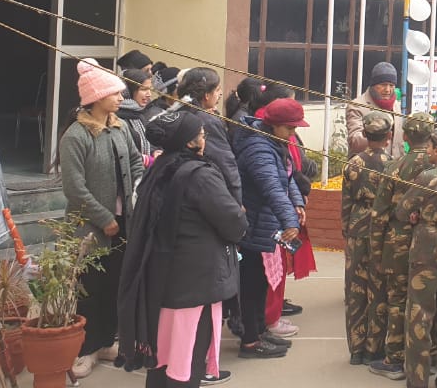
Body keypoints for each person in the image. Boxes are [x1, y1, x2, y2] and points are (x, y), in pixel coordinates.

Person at [117, 111, 248, 388]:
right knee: (188, 362)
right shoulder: (200, 175)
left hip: (163, 280)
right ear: (190, 142)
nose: (205, 139)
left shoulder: (159, 169)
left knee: (162, 359)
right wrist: (240, 217)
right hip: (196, 285)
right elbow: (234, 222)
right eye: (201, 135)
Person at [61, 59, 145, 379]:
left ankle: (106, 341)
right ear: (96, 98)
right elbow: (74, 188)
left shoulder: (119, 127)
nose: (121, 98)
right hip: (91, 229)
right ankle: (86, 349)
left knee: (114, 286)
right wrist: (104, 217)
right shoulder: (76, 136)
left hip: (122, 224)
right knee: (90, 291)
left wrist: (138, 191)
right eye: (115, 93)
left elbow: (135, 163)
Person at [231, 98, 308, 359]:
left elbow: (287, 178)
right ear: (274, 125)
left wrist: (296, 202)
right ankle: (250, 341)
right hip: (253, 225)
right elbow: (272, 188)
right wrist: (289, 221)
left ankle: (260, 331)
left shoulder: (274, 142)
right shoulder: (258, 148)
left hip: (266, 222)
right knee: (251, 284)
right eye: (290, 128)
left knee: (262, 282)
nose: (293, 133)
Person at [368, 112, 436, 380]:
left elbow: (379, 214)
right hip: (431, 243)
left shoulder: (394, 167)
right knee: (429, 300)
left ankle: (395, 359)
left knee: (397, 299)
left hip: (397, 242)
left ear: (405, 136)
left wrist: (376, 253)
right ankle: (428, 358)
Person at [397, 127, 437, 388]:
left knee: (419, 315)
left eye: (431, 147)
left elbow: (402, 211)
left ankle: (418, 378)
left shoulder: (427, 177)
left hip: (425, 248)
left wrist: (417, 215)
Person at [341, 112, 393, 365]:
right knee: (379, 290)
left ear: (364, 134)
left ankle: (356, 349)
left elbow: (346, 203)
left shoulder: (353, 164)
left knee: (355, 291)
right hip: (382, 230)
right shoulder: (393, 165)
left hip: (357, 228)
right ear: (389, 136)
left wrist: (347, 230)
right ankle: (375, 348)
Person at [171, 68, 241, 202]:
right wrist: (236, 199)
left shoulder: (177, 113)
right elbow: (224, 162)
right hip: (206, 189)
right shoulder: (207, 121)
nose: (220, 93)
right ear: (207, 95)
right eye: (217, 89)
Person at [346, 62, 403, 158]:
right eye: (383, 84)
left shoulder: (396, 104)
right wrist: (377, 138)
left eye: (391, 85)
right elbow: (355, 142)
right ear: (373, 85)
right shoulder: (357, 106)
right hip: (366, 164)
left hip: (393, 165)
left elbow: (399, 142)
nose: (387, 90)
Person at [119, 68, 154, 163]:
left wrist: (154, 152)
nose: (149, 94)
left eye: (150, 89)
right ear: (128, 91)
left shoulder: (139, 115)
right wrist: (147, 160)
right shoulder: (117, 118)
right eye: (143, 89)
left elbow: (147, 143)